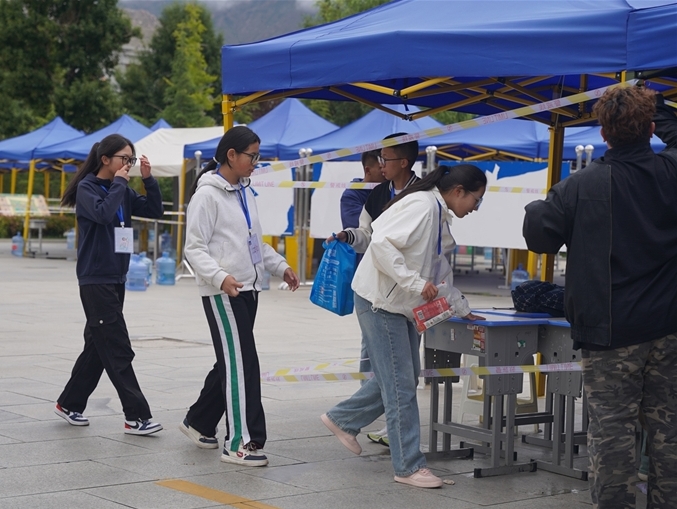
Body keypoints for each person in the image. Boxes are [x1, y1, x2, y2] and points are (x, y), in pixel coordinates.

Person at [522, 86, 677, 509]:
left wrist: (537, 207)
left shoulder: (580, 186)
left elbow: (540, 237)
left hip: (610, 332)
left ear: (603, 134)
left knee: (612, 433)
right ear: (650, 129)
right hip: (668, 327)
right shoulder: (671, 171)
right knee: (669, 432)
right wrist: (661, 109)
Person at [321, 164, 486, 488]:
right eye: (476, 200)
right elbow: (381, 245)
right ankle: (408, 466)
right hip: (381, 303)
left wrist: (460, 307)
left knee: (403, 379)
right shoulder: (422, 206)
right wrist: (414, 282)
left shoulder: (437, 212)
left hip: (398, 305)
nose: (475, 208)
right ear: (458, 191)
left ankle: (342, 419)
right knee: (400, 387)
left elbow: (439, 271)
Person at [181, 126, 300, 467]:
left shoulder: (244, 191)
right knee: (243, 364)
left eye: (258, 156)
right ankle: (240, 443)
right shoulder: (207, 195)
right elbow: (194, 248)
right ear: (231, 155)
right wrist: (220, 278)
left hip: (248, 289)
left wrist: (279, 266)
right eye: (252, 155)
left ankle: (199, 421)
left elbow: (253, 242)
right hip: (224, 292)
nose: (255, 162)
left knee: (232, 360)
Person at [55, 134, 164, 435]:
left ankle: (69, 403)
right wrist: (119, 183)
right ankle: (136, 416)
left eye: (131, 159)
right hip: (95, 278)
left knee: (98, 345)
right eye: (124, 159)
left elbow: (154, 211)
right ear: (105, 159)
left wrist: (148, 180)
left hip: (116, 276)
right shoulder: (87, 188)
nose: (128, 164)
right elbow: (103, 214)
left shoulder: (122, 190)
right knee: (116, 347)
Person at [330, 135, 420, 447]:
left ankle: (344, 420)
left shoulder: (422, 196)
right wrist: (349, 236)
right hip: (376, 294)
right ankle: (406, 458)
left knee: (405, 375)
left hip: (409, 295)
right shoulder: (374, 195)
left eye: (386, 159)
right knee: (396, 375)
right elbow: (370, 238)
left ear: (403, 162)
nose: (381, 166)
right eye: (379, 159)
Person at [340, 149, 385, 232]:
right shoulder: (351, 196)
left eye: (385, 166)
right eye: (380, 168)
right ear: (368, 170)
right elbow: (360, 226)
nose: (384, 170)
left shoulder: (389, 189)